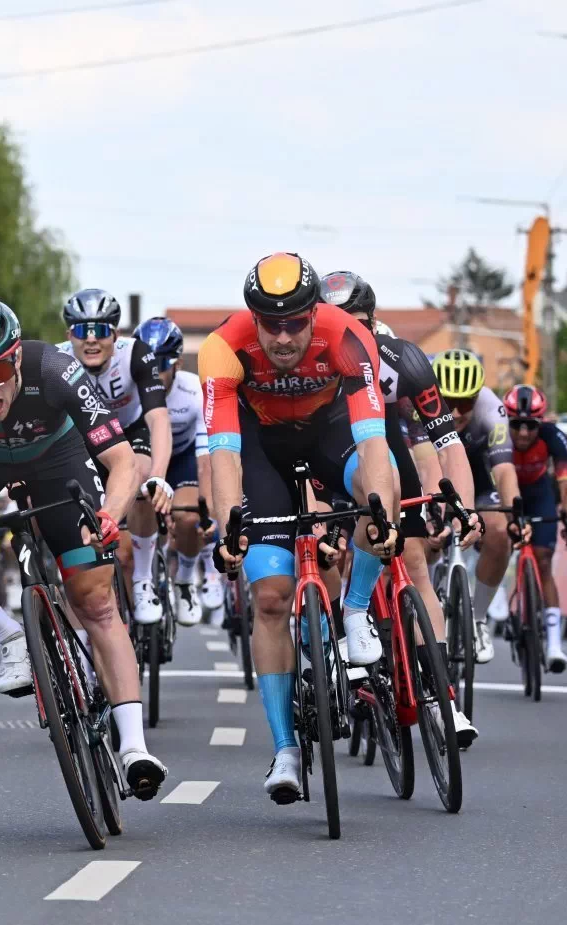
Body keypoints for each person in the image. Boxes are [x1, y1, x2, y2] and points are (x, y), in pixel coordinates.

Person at [0, 299, 168, 798]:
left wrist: (109, 516)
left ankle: (134, 747)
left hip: (56, 460)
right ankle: (11, 636)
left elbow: (123, 462)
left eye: (0, 370)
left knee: (96, 601)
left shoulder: (56, 367)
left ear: (17, 359)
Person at [203, 252, 397, 803]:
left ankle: (356, 610)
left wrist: (380, 513)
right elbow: (224, 454)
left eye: (295, 322)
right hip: (261, 448)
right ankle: (286, 748)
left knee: (381, 493)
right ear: (253, 318)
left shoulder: (348, 336)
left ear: (315, 313)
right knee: (270, 596)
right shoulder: (222, 348)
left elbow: (373, 441)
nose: (283, 337)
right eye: (271, 323)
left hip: (329, 435)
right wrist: (229, 527)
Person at [322, 270, 480, 746]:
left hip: (382, 450)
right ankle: (337, 644)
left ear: (375, 322)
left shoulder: (404, 361)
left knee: (415, 564)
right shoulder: (312, 367)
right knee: (321, 544)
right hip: (326, 453)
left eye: (361, 322)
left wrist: (465, 509)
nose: (351, 333)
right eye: (338, 322)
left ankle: (442, 699)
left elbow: (448, 445)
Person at [56, 289, 173, 626]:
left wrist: (160, 477)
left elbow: (158, 419)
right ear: (69, 336)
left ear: (115, 334)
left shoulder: (136, 354)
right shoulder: (57, 360)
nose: (91, 341)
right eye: (81, 331)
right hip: (84, 439)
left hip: (130, 432)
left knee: (142, 477)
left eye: (101, 331)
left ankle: (142, 579)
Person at [432, 348, 529, 665]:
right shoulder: (419, 403)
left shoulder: (492, 408)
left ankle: (478, 619)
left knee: (500, 534)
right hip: (432, 470)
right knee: (424, 535)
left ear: (478, 396)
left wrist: (515, 514)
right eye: (449, 402)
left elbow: (503, 470)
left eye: (466, 402)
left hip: (479, 472)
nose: (457, 412)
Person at [133, 317, 211, 625]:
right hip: (143, 458)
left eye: (161, 363)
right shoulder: (127, 389)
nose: (154, 371)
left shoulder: (193, 391)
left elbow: (205, 461)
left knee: (188, 517)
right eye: (147, 363)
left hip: (183, 459)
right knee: (125, 547)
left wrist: (206, 510)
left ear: (177, 363)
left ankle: (185, 581)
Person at [502, 384, 567, 672]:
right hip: (505, 494)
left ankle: (555, 645)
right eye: (517, 425)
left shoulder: (553, 436)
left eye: (530, 426)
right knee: (499, 544)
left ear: (541, 423)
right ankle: (497, 603)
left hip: (539, 495)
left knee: (544, 561)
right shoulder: (496, 434)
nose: (523, 433)